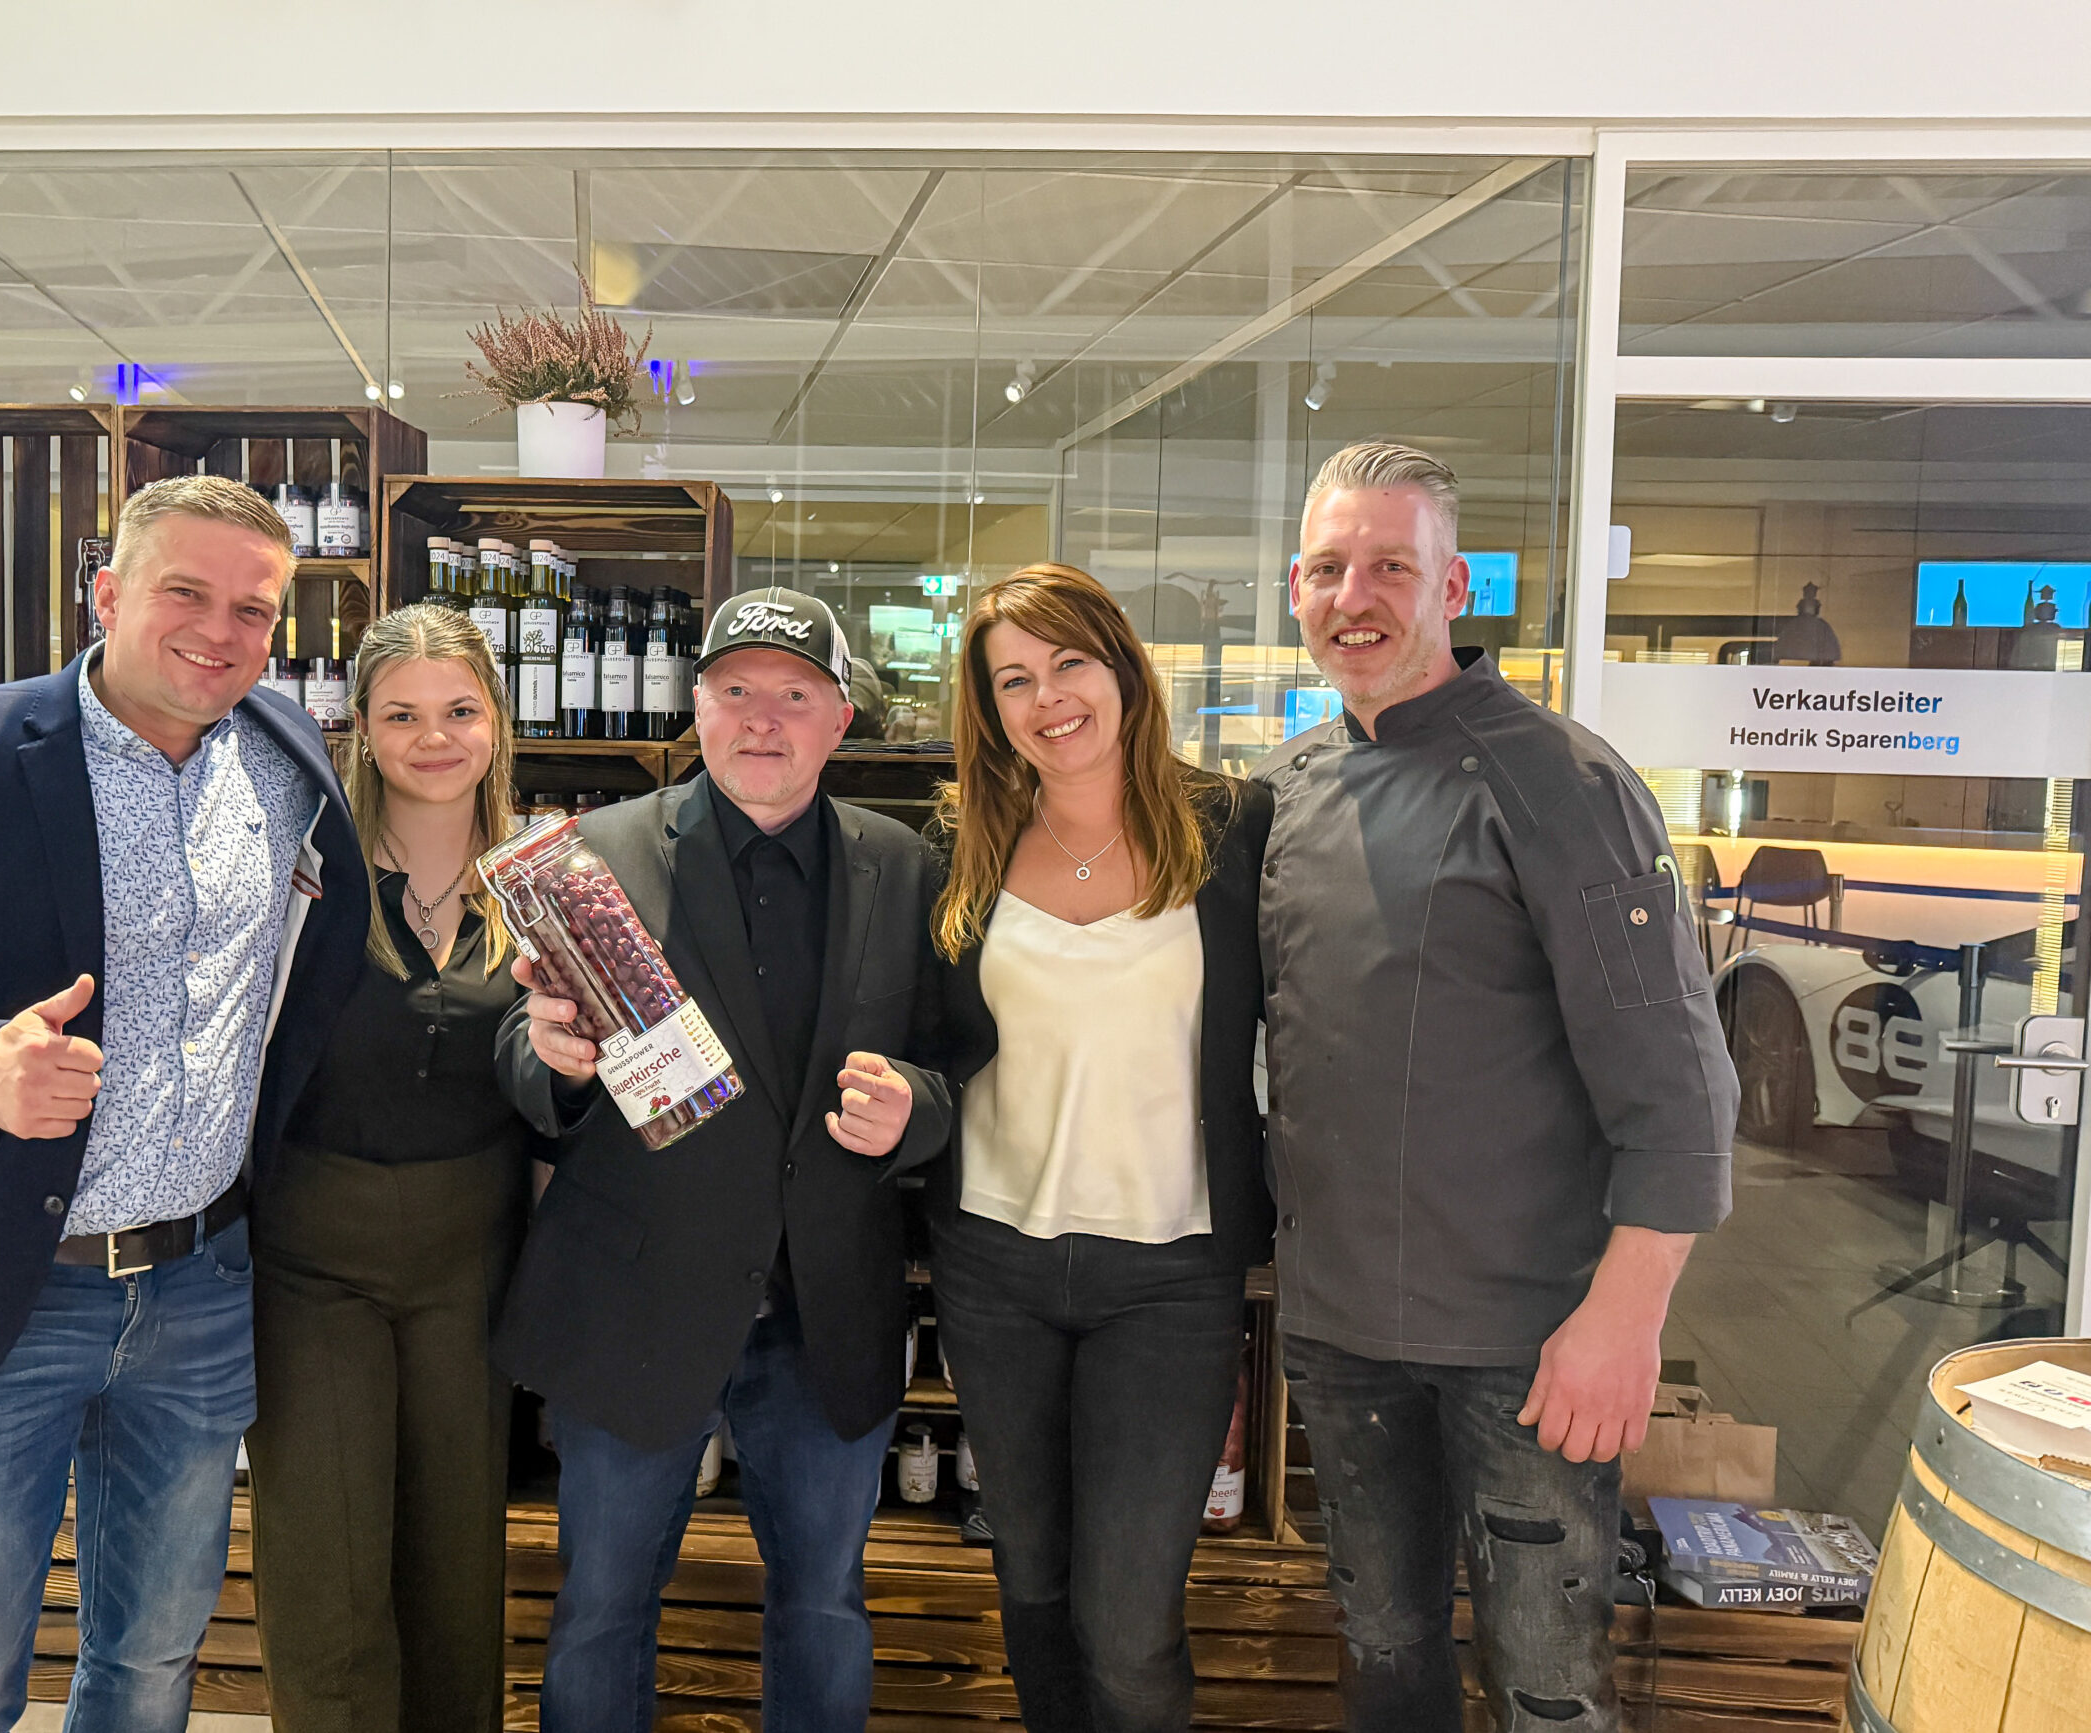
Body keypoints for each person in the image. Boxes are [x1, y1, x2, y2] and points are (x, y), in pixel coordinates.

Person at [0, 476, 362, 1733]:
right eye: (185, 591)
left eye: (253, 609)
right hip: (3, 1285)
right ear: (107, 594)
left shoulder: (287, 758)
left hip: (199, 1286)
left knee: (148, 1669)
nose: (219, 631)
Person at [1253, 442, 1736, 1732]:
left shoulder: (1563, 784)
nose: (1353, 596)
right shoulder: (1288, 788)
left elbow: (1680, 1086)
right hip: (1339, 1328)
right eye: (1328, 568)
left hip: (1528, 1343)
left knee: (1547, 1687)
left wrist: (1624, 1317)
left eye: (1389, 567)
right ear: (1294, 588)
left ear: (1453, 585)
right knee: (1382, 1652)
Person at [498, 586, 954, 1733]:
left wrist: (915, 1109)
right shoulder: (591, 854)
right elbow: (519, 1046)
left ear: (839, 718)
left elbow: (953, 1062)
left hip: (825, 1308)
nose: (761, 717)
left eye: (794, 694)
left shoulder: (904, 864)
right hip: (636, 1300)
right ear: (693, 704)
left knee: (824, 1606)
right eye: (735, 688)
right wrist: (550, 1055)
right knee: (600, 1609)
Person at [921, 563, 1272, 1733]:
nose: (1047, 697)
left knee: (1126, 1618)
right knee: (1029, 1578)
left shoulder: (1231, 827)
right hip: (993, 1266)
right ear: (988, 707)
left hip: (1169, 1274)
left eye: (1068, 662)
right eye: (1013, 679)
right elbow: (925, 1042)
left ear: (1122, 668)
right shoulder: (958, 840)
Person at [246, 604, 531, 1733]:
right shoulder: (304, 868)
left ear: (496, 720)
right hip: (313, 1258)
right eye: (402, 714)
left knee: (458, 1557)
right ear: (359, 726)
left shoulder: (544, 880)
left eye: (459, 709)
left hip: (476, 1258)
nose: (434, 737)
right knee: (327, 1557)